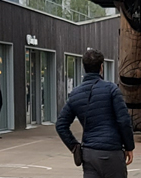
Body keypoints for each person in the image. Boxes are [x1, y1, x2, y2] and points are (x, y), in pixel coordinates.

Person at [56, 49, 134, 178]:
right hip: (112, 152)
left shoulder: (75, 94)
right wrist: (129, 146)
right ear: (101, 67)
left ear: (84, 68)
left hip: (89, 153)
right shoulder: (112, 89)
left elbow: (60, 125)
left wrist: (75, 147)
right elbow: (124, 120)